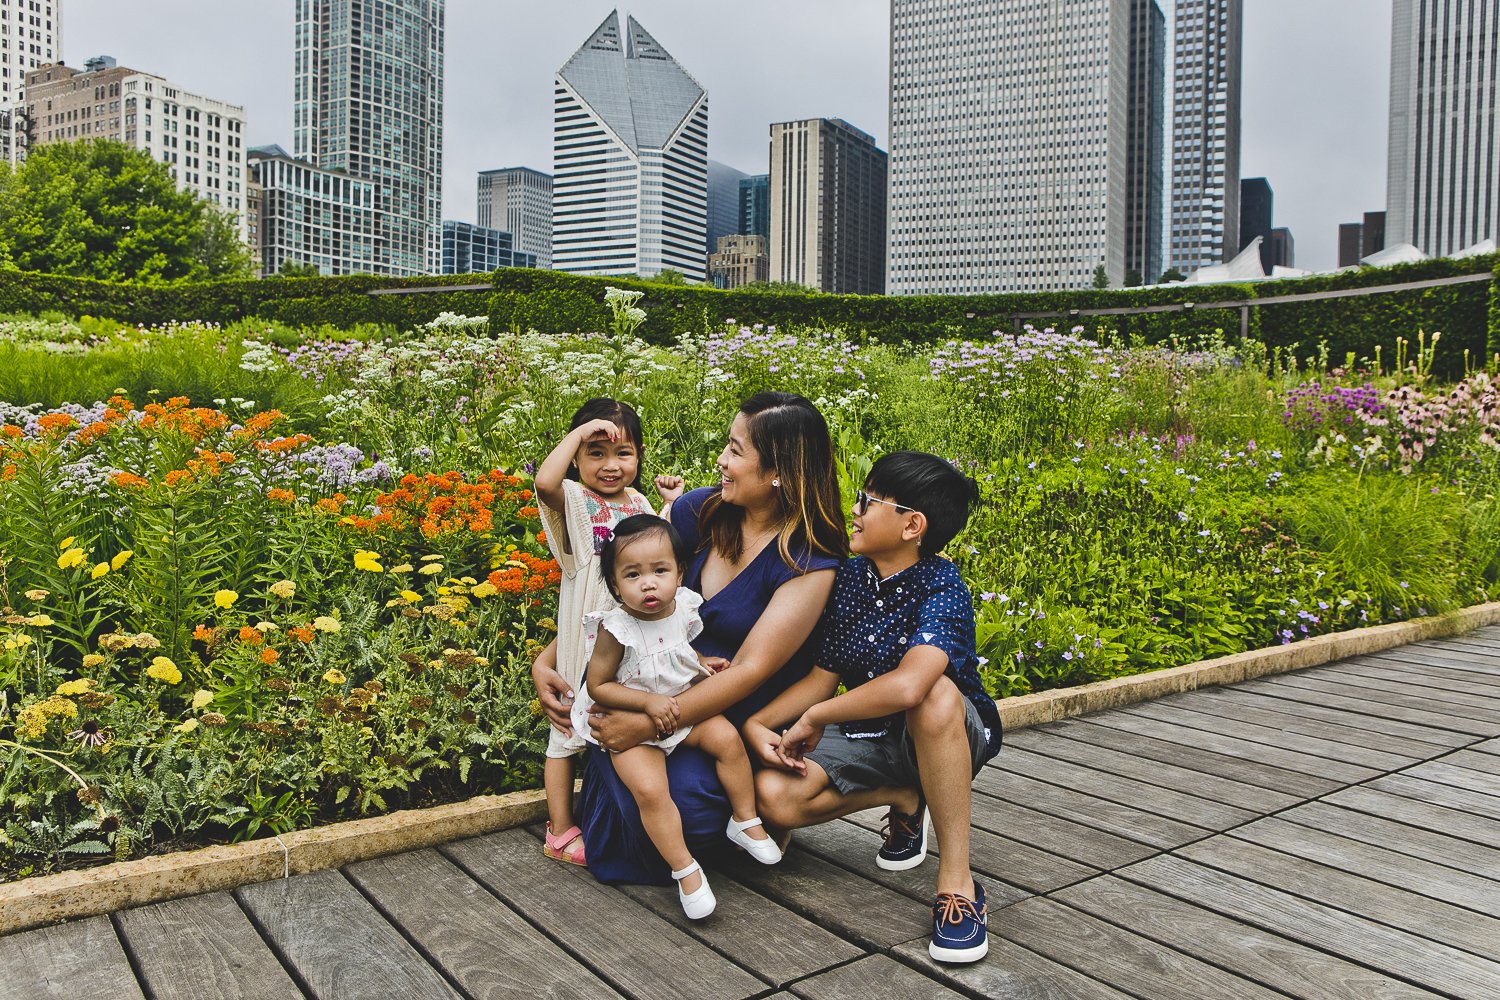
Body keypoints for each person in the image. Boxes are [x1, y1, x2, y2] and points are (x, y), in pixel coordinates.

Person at [533, 391, 845, 884]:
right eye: (727, 444)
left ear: (779, 472)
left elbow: (749, 670)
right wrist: (549, 660)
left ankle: (748, 821)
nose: (721, 460)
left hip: (730, 715)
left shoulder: (808, 561)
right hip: (651, 690)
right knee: (647, 801)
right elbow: (624, 603)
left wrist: (652, 724)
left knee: (687, 814)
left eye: (737, 451)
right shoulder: (698, 512)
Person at [744, 451, 1002, 964]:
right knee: (774, 796)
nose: (854, 509)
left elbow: (909, 687)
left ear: (912, 525)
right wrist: (756, 722)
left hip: (947, 732)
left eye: (868, 501)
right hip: (872, 734)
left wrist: (815, 718)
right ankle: (905, 794)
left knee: (934, 693)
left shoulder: (943, 586)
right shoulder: (852, 580)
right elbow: (824, 678)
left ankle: (958, 882)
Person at [572, 515, 781, 918]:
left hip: (676, 702)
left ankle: (745, 818)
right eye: (632, 575)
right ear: (615, 586)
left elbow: (677, 648)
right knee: (651, 791)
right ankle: (685, 869)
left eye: (660, 571)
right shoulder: (617, 630)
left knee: (726, 739)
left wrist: (703, 663)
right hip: (629, 718)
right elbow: (599, 686)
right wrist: (646, 705)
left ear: (680, 573)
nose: (648, 583)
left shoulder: (683, 605)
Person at [533, 398, 684, 867]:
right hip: (585, 644)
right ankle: (559, 829)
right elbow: (543, 481)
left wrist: (670, 505)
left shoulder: (638, 503)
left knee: (612, 725)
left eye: (623, 453)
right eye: (595, 453)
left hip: (629, 642)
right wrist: (578, 434)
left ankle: (609, 813)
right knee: (566, 735)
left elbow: (659, 554)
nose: (611, 465)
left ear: (639, 456)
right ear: (576, 458)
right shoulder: (575, 501)